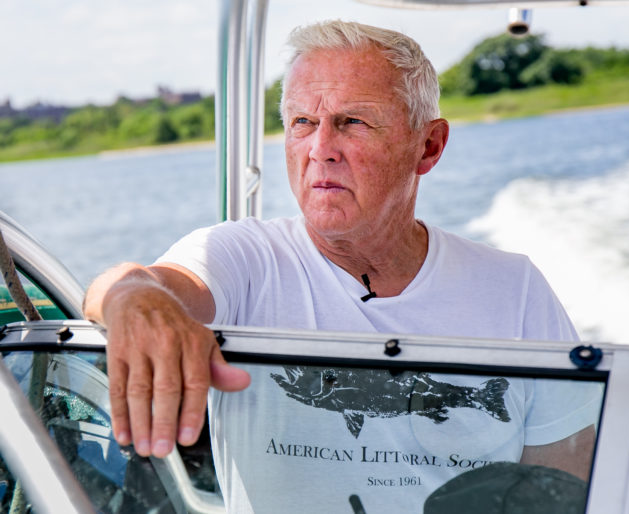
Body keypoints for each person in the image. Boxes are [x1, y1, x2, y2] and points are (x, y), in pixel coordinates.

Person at [84, 20, 600, 513]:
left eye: (352, 122)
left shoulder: (514, 288)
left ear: (429, 146)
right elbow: (137, 286)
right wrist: (136, 298)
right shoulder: (243, 258)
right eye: (302, 123)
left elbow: (566, 485)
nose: (320, 150)